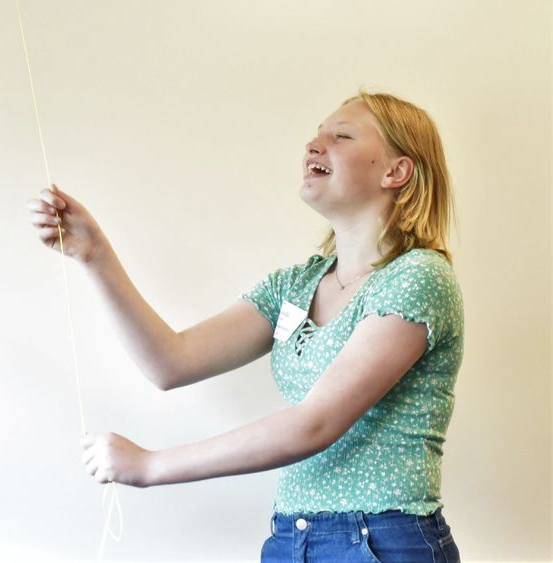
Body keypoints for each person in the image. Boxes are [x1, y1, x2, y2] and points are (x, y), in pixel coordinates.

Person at [27, 91, 463, 562]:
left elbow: (313, 424)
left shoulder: (419, 277)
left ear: (396, 171)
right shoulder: (293, 286)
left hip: (382, 540)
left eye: (341, 135)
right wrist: (95, 256)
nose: (314, 144)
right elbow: (170, 362)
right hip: (290, 539)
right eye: (316, 133)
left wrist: (151, 466)